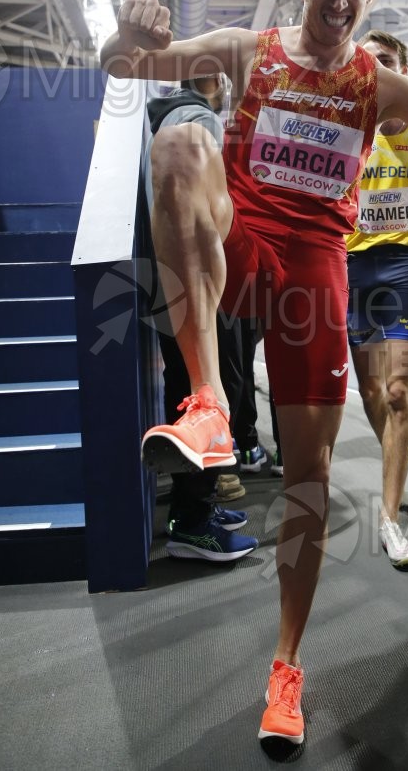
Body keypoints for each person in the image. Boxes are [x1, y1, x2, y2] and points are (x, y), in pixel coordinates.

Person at [100, 0, 408, 746]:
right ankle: (210, 402)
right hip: (245, 239)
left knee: (309, 485)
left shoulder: (380, 84)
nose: (338, 1)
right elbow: (125, 67)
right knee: (179, 145)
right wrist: (125, 33)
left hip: (320, 268)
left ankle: (286, 665)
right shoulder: (250, 48)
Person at [345, 29, 408, 571]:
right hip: (351, 267)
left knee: (399, 392)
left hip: (405, 265)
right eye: (366, 60)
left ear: (402, 70)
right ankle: (395, 462)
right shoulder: (346, 124)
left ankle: (389, 518)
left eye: (384, 60)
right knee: (369, 392)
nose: (374, 66)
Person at [145, 76, 258, 561]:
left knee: (190, 387)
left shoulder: (167, 114)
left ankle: (194, 513)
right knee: (210, 390)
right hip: (193, 280)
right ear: (213, 81)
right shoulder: (196, 116)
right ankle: (192, 525)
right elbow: (183, 169)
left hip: (170, 280)